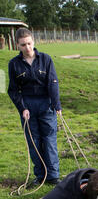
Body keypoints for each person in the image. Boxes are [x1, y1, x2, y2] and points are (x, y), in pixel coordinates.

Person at [8, 28, 61, 186]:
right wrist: (22, 108)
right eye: (23, 45)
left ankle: (53, 176)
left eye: (29, 43)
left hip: (46, 104)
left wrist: (56, 104)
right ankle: (40, 175)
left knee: (50, 140)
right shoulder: (14, 64)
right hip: (27, 107)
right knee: (34, 141)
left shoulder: (46, 59)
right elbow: (13, 90)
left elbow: (53, 83)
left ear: (34, 42)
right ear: (17, 45)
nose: (28, 48)